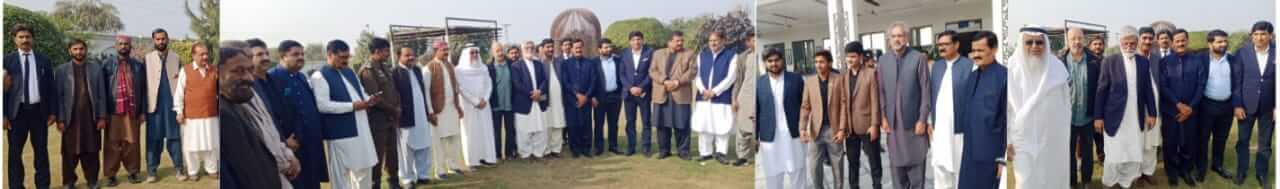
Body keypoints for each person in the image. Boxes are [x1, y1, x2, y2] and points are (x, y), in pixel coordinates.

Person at [223, 39, 300, 188]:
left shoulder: (250, 90)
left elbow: (269, 128)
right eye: (238, 69)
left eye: (249, 67)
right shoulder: (227, 108)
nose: (248, 75)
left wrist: (288, 155)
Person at [1006, 26, 1071, 189]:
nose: (1035, 46)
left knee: (1052, 175)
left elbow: (1065, 103)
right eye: (1029, 42)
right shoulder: (1012, 69)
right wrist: (1007, 140)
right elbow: (1006, 108)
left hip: (1052, 137)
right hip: (1023, 138)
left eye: (1039, 42)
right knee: (1026, 180)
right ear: (1022, 43)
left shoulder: (1057, 67)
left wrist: (1064, 131)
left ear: (1046, 44)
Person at [1096, 26, 1159, 188]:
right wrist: (1098, 117)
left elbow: (1147, 91)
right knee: (1115, 152)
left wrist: (1152, 113)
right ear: (1120, 43)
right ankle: (1110, 182)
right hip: (1114, 116)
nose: (1129, 46)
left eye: (1133, 43)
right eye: (1126, 43)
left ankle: (1127, 181)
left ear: (1137, 43)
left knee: (1133, 150)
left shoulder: (1143, 62)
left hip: (1135, 115)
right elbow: (1101, 91)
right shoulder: (1110, 61)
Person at [311, 40, 380, 189]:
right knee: (340, 175)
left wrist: (369, 99)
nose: (346, 60)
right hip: (340, 133)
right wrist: (353, 106)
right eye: (342, 57)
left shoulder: (349, 71)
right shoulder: (319, 76)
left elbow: (361, 92)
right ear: (330, 55)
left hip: (361, 128)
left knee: (364, 167)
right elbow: (323, 105)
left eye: (347, 57)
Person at [266, 40, 330, 188]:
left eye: (302, 54)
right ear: (283, 56)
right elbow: (270, 114)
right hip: (293, 145)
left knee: (313, 181)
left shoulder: (301, 77)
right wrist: (283, 140)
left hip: (311, 141)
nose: (301, 57)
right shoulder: (272, 78)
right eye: (295, 54)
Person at [876, 22, 931, 189]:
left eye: (900, 36)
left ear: (906, 38)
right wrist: (883, 117)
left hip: (914, 123)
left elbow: (925, 91)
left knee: (916, 167)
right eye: (893, 36)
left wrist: (922, 119)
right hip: (893, 124)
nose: (897, 39)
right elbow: (881, 91)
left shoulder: (918, 58)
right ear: (889, 40)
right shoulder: (883, 60)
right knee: (897, 170)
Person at [955, 30, 1008, 189]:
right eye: (974, 50)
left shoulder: (1004, 77)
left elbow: (1008, 121)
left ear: (994, 49)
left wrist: (1002, 159)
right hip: (970, 153)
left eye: (981, 50)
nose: (976, 55)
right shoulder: (972, 77)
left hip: (990, 156)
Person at [54, 39, 107, 189]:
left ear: (86, 50)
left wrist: (102, 117)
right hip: (70, 119)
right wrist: (60, 119)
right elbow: (58, 97)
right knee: (69, 153)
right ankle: (69, 182)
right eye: (75, 49)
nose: (79, 52)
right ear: (69, 51)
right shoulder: (61, 70)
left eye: (81, 49)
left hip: (91, 118)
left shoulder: (96, 68)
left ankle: (92, 181)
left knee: (92, 151)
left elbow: (102, 95)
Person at [1157, 29, 1206, 186]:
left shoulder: (1197, 61)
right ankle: (1171, 171)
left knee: (1189, 143)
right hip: (1171, 110)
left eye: (1183, 40)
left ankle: (1185, 170)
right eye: (1177, 41)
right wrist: (1178, 104)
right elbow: (1163, 86)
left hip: (1192, 111)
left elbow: (1201, 85)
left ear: (1187, 40)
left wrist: (1190, 107)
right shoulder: (1164, 62)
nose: (1180, 43)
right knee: (1170, 142)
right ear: (1172, 43)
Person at [1231, 21, 1275, 186]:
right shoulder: (1242, 52)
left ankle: (1261, 174)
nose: (1259, 37)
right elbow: (1236, 81)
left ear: (1270, 35)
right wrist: (1237, 105)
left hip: (1268, 108)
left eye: (1263, 34)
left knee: (1265, 144)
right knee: (1243, 141)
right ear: (1251, 36)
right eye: (1255, 34)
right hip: (1245, 106)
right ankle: (1241, 172)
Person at [756, 49, 806, 189]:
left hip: (793, 133)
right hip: (769, 136)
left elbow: (805, 105)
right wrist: (755, 136)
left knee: (797, 169)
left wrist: (805, 127)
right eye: (770, 61)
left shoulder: (796, 79)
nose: (774, 64)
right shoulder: (759, 83)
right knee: (772, 173)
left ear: (782, 60)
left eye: (777, 60)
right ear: (765, 63)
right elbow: (756, 110)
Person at [926, 30, 970, 189]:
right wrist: (929, 121)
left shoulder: (969, 65)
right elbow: (931, 95)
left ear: (956, 45)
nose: (942, 48)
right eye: (939, 45)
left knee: (959, 167)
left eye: (946, 44)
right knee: (940, 167)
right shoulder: (936, 67)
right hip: (939, 129)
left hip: (960, 129)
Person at [356, 37, 402, 189]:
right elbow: (374, 96)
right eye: (386, 50)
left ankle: (393, 183)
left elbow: (392, 90)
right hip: (377, 120)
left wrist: (397, 107)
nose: (388, 53)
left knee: (392, 153)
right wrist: (393, 109)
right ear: (377, 51)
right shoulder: (368, 70)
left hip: (390, 117)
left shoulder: (384, 67)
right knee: (377, 154)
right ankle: (375, 185)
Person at [102, 35, 147, 186]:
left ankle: (133, 172)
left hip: (132, 110)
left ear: (130, 46)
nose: (123, 46)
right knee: (112, 144)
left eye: (126, 44)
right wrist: (103, 113)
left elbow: (143, 89)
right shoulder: (107, 64)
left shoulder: (138, 65)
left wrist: (142, 112)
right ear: (116, 46)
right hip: (113, 110)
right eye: (120, 44)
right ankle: (110, 175)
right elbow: (101, 91)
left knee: (132, 143)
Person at [1059, 27, 1101, 187]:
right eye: (1073, 39)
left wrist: (1098, 116)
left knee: (1087, 152)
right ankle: (1071, 182)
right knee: (1068, 153)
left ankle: (1087, 181)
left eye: (1079, 38)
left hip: (1087, 117)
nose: (1077, 42)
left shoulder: (1094, 61)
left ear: (1084, 40)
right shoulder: (1059, 62)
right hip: (1066, 119)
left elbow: (1099, 90)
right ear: (1067, 41)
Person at [143, 28, 187, 182]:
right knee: (153, 139)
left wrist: (182, 107)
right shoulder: (147, 59)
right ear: (153, 41)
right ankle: (151, 172)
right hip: (153, 107)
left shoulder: (176, 58)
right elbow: (143, 85)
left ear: (168, 39)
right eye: (158, 39)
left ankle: (179, 169)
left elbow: (182, 84)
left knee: (174, 138)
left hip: (172, 106)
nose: (161, 41)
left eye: (163, 39)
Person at [840, 41, 884, 189]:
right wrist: (843, 126)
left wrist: (874, 125)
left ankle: (877, 185)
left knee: (874, 161)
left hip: (867, 127)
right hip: (850, 129)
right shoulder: (844, 77)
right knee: (853, 163)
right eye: (847, 57)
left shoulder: (871, 73)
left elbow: (875, 101)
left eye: (853, 56)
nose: (850, 60)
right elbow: (844, 103)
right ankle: (854, 186)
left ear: (860, 57)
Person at [173, 42, 219, 181]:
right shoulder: (185, 70)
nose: (205, 56)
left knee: (211, 143)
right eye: (201, 54)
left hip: (210, 114)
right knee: (191, 145)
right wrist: (179, 111)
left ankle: (212, 169)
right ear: (193, 55)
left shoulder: (214, 70)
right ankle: (192, 171)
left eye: (206, 53)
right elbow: (179, 93)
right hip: (191, 115)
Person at [1195, 30, 1236, 182]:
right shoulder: (1200, 59)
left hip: (1227, 106)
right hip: (1206, 105)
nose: (1223, 44)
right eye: (1219, 42)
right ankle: (1201, 168)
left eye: (1225, 41)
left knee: (1221, 139)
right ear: (1210, 43)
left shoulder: (1232, 59)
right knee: (1203, 138)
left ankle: (1217, 165)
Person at [692, 31, 739, 164]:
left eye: (716, 40)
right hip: (704, 98)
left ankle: (721, 153)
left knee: (721, 126)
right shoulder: (702, 56)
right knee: (704, 125)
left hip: (721, 98)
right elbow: (697, 75)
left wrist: (715, 91)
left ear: (723, 41)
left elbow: (731, 77)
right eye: (711, 40)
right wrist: (703, 90)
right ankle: (705, 153)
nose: (713, 43)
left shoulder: (731, 56)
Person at [391, 46, 435, 187]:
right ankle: (407, 179)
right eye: (407, 55)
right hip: (405, 117)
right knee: (406, 150)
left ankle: (422, 175)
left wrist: (428, 112)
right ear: (399, 57)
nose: (411, 57)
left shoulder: (417, 70)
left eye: (412, 55)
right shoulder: (394, 73)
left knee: (423, 145)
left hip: (421, 115)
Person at [799, 50, 844, 189]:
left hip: (834, 129)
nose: (818, 65)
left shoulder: (839, 79)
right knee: (814, 166)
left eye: (822, 62)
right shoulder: (810, 81)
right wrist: (802, 128)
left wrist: (842, 129)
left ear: (829, 63)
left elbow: (843, 104)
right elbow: (805, 106)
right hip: (815, 130)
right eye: (816, 62)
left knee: (838, 166)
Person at [649, 32, 696, 160]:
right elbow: (652, 71)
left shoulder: (689, 54)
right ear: (669, 42)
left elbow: (692, 71)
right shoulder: (657, 54)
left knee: (683, 124)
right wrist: (664, 81)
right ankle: (664, 150)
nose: (680, 43)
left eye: (682, 40)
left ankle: (683, 151)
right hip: (661, 93)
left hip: (680, 93)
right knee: (662, 124)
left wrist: (677, 82)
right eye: (677, 41)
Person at [424, 41, 467, 178]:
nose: (446, 52)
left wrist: (458, 106)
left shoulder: (450, 66)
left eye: (447, 50)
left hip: (451, 108)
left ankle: (454, 167)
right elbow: (426, 92)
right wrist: (430, 112)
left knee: (454, 138)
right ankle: (440, 170)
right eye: (443, 50)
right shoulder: (428, 68)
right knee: (439, 141)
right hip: (438, 110)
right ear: (435, 51)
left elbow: (455, 89)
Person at [456, 44, 499, 166]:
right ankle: (473, 161)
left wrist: (485, 99)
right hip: (469, 106)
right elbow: (461, 88)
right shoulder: (459, 70)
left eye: (476, 53)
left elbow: (489, 85)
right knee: (470, 132)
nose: (475, 55)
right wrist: (475, 101)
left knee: (485, 131)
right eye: (472, 53)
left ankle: (487, 157)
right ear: (466, 55)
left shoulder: (483, 68)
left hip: (484, 106)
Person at [512, 43, 551, 159]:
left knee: (539, 128)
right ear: (522, 50)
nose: (529, 50)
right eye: (526, 48)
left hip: (538, 101)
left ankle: (538, 152)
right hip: (524, 102)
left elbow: (545, 80)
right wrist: (532, 93)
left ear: (534, 50)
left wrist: (539, 91)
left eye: (531, 48)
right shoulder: (516, 66)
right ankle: (525, 153)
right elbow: (517, 84)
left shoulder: (539, 64)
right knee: (524, 130)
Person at [1134, 27, 1162, 184]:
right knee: (1137, 140)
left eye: (1150, 38)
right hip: (1136, 108)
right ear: (1138, 38)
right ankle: (1136, 173)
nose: (1147, 41)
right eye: (1144, 37)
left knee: (1151, 142)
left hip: (1155, 108)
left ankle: (1148, 171)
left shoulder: (1157, 59)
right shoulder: (1132, 58)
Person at [620, 31, 654, 156]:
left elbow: (651, 73)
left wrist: (641, 87)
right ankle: (631, 147)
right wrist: (630, 88)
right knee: (630, 121)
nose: (636, 42)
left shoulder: (649, 53)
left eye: (639, 39)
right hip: (629, 95)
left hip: (644, 93)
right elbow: (622, 74)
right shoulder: (624, 54)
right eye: (634, 40)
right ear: (630, 42)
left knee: (646, 121)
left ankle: (646, 147)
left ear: (642, 40)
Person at [732, 31, 760, 166]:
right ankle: (742, 156)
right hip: (745, 96)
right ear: (748, 42)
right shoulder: (743, 57)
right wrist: (734, 99)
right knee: (743, 128)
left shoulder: (765, 55)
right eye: (753, 40)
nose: (756, 42)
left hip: (762, 95)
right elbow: (738, 80)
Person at [537, 39, 568, 158]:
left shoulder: (560, 62)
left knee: (558, 124)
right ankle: (546, 149)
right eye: (547, 47)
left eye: (551, 47)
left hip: (559, 99)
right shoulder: (539, 64)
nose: (550, 49)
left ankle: (556, 149)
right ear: (543, 48)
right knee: (547, 125)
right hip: (546, 99)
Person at [595, 38, 625, 156]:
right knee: (599, 123)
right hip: (600, 97)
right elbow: (592, 80)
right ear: (599, 49)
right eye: (606, 47)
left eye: (610, 47)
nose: (609, 49)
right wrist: (593, 96)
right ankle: (599, 147)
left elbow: (622, 76)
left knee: (613, 123)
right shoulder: (594, 62)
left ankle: (613, 146)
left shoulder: (618, 61)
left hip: (615, 96)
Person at [490, 42, 519, 160]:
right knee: (496, 131)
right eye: (497, 51)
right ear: (493, 53)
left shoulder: (512, 65)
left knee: (510, 130)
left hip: (510, 103)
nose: (500, 53)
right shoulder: (489, 67)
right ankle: (497, 154)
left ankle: (509, 153)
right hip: (496, 104)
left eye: (501, 50)